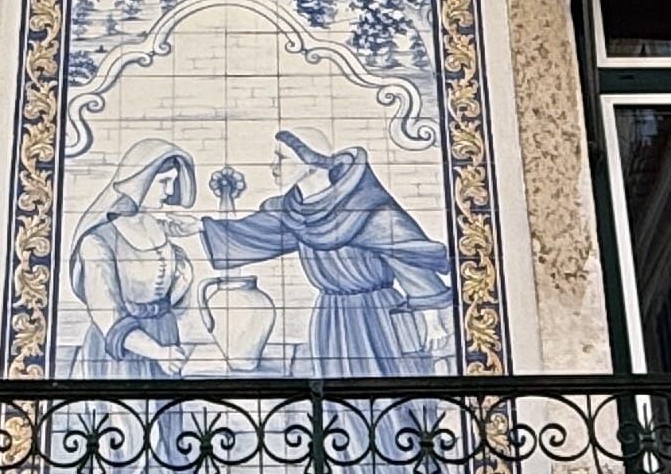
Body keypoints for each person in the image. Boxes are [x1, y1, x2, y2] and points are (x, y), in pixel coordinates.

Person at [199, 131, 458, 379]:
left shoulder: (366, 206)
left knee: (385, 391)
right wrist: (199, 226)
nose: (273, 166)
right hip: (330, 315)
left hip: (376, 314)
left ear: (311, 162)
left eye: (282, 158)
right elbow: (251, 233)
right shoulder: (295, 213)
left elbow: (406, 255)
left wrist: (431, 316)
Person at [65, 141, 202, 382]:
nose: (169, 192)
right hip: (123, 353)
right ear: (139, 182)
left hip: (165, 340)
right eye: (163, 182)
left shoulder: (157, 227)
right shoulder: (97, 242)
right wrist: (157, 352)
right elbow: (108, 315)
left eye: (172, 181)